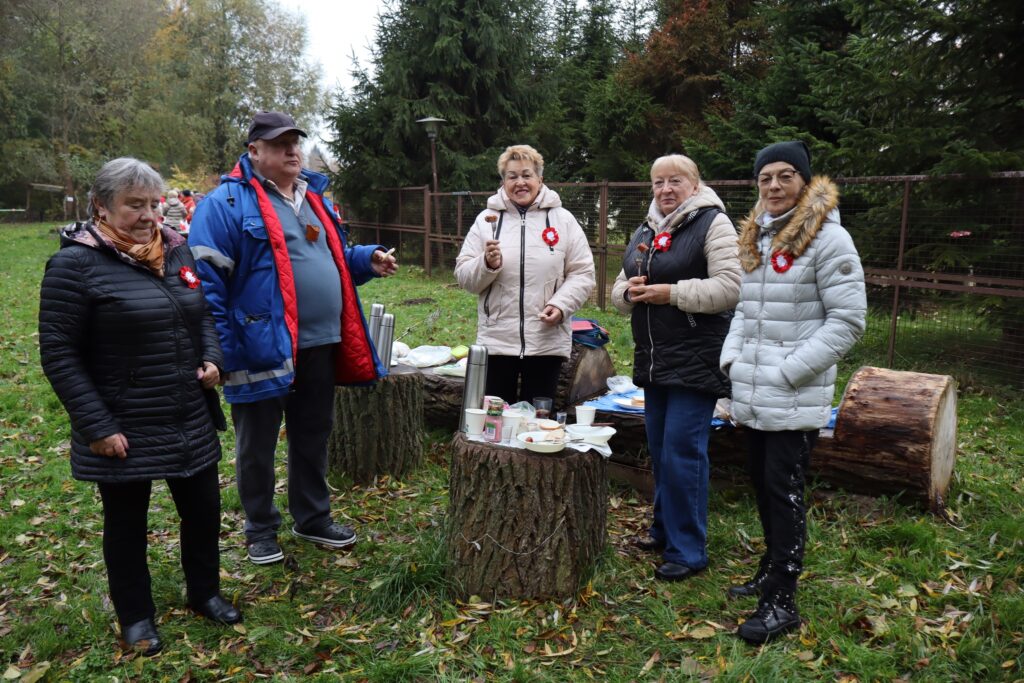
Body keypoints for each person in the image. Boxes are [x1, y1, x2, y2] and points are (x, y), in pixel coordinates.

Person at [39, 157, 241, 657]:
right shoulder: (75, 264)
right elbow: (58, 353)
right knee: (126, 524)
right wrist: (96, 424)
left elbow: (202, 317)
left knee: (203, 511)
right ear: (101, 208)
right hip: (123, 422)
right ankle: (136, 616)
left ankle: (204, 593)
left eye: (153, 203)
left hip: (186, 413)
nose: (149, 214)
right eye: (135, 204)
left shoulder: (175, 250)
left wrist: (213, 359)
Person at [188, 111, 397, 566]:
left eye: (295, 142)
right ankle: (260, 529)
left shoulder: (313, 197)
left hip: (320, 342)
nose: (292, 151)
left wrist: (366, 260)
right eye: (279, 144)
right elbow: (209, 286)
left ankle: (312, 517)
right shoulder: (223, 205)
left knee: (312, 434)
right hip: (259, 344)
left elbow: (331, 256)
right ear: (254, 151)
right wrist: (221, 350)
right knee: (257, 445)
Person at [720, 140, 866, 644]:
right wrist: (732, 360)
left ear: (805, 182)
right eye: (766, 178)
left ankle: (782, 600)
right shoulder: (758, 239)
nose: (775, 186)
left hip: (793, 392)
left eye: (786, 176)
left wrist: (788, 372)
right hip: (753, 390)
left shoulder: (829, 240)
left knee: (784, 492)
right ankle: (769, 567)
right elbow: (745, 310)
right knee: (761, 482)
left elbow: (848, 322)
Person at [610, 154, 741, 582]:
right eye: (658, 182)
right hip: (654, 357)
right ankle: (664, 530)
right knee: (662, 449)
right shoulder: (647, 228)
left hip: (696, 356)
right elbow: (616, 287)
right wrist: (629, 293)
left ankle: (688, 550)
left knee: (685, 453)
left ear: (695, 183)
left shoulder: (712, 223)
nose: (665, 189)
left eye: (675, 181)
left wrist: (672, 294)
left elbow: (731, 288)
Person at [454, 145, 595, 404]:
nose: (520, 182)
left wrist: (561, 305)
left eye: (527, 175)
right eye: (512, 176)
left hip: (546, 340)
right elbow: (464, 276)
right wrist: (486, 264)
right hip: (497, 339)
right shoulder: (486, 220)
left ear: (540, 179)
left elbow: (583, 273)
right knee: (496, 421)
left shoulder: (563, 220)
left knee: (538, 424)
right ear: (503, 182)